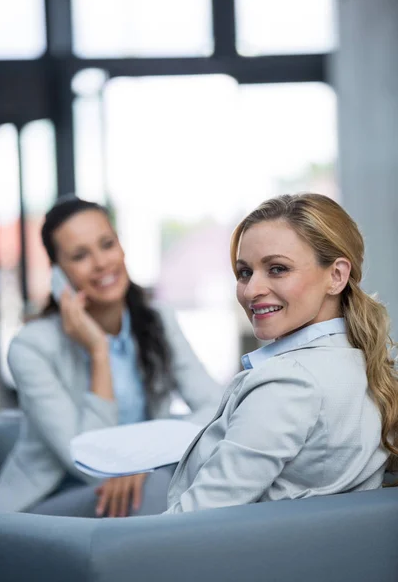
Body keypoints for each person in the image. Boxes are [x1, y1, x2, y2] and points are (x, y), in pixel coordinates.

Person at [165, 193, 398, 513]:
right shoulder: (359, 367)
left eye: (277, 269)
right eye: (244, 272)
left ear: (336, 276)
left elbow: (189, 522)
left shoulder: (288, 383)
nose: (251, 290)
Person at [0, 196, 221, 516]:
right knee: (162, 493)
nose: (102, 262)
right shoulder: (30, 347)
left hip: (137, 482)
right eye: (80, 255)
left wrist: (146, 459)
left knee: (183, 482)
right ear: (58, 273)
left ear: (122, 248)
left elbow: (216, 406)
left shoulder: (158, 320)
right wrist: (98, 351)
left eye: (107, 244)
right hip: (50, 497)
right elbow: (87, 461)